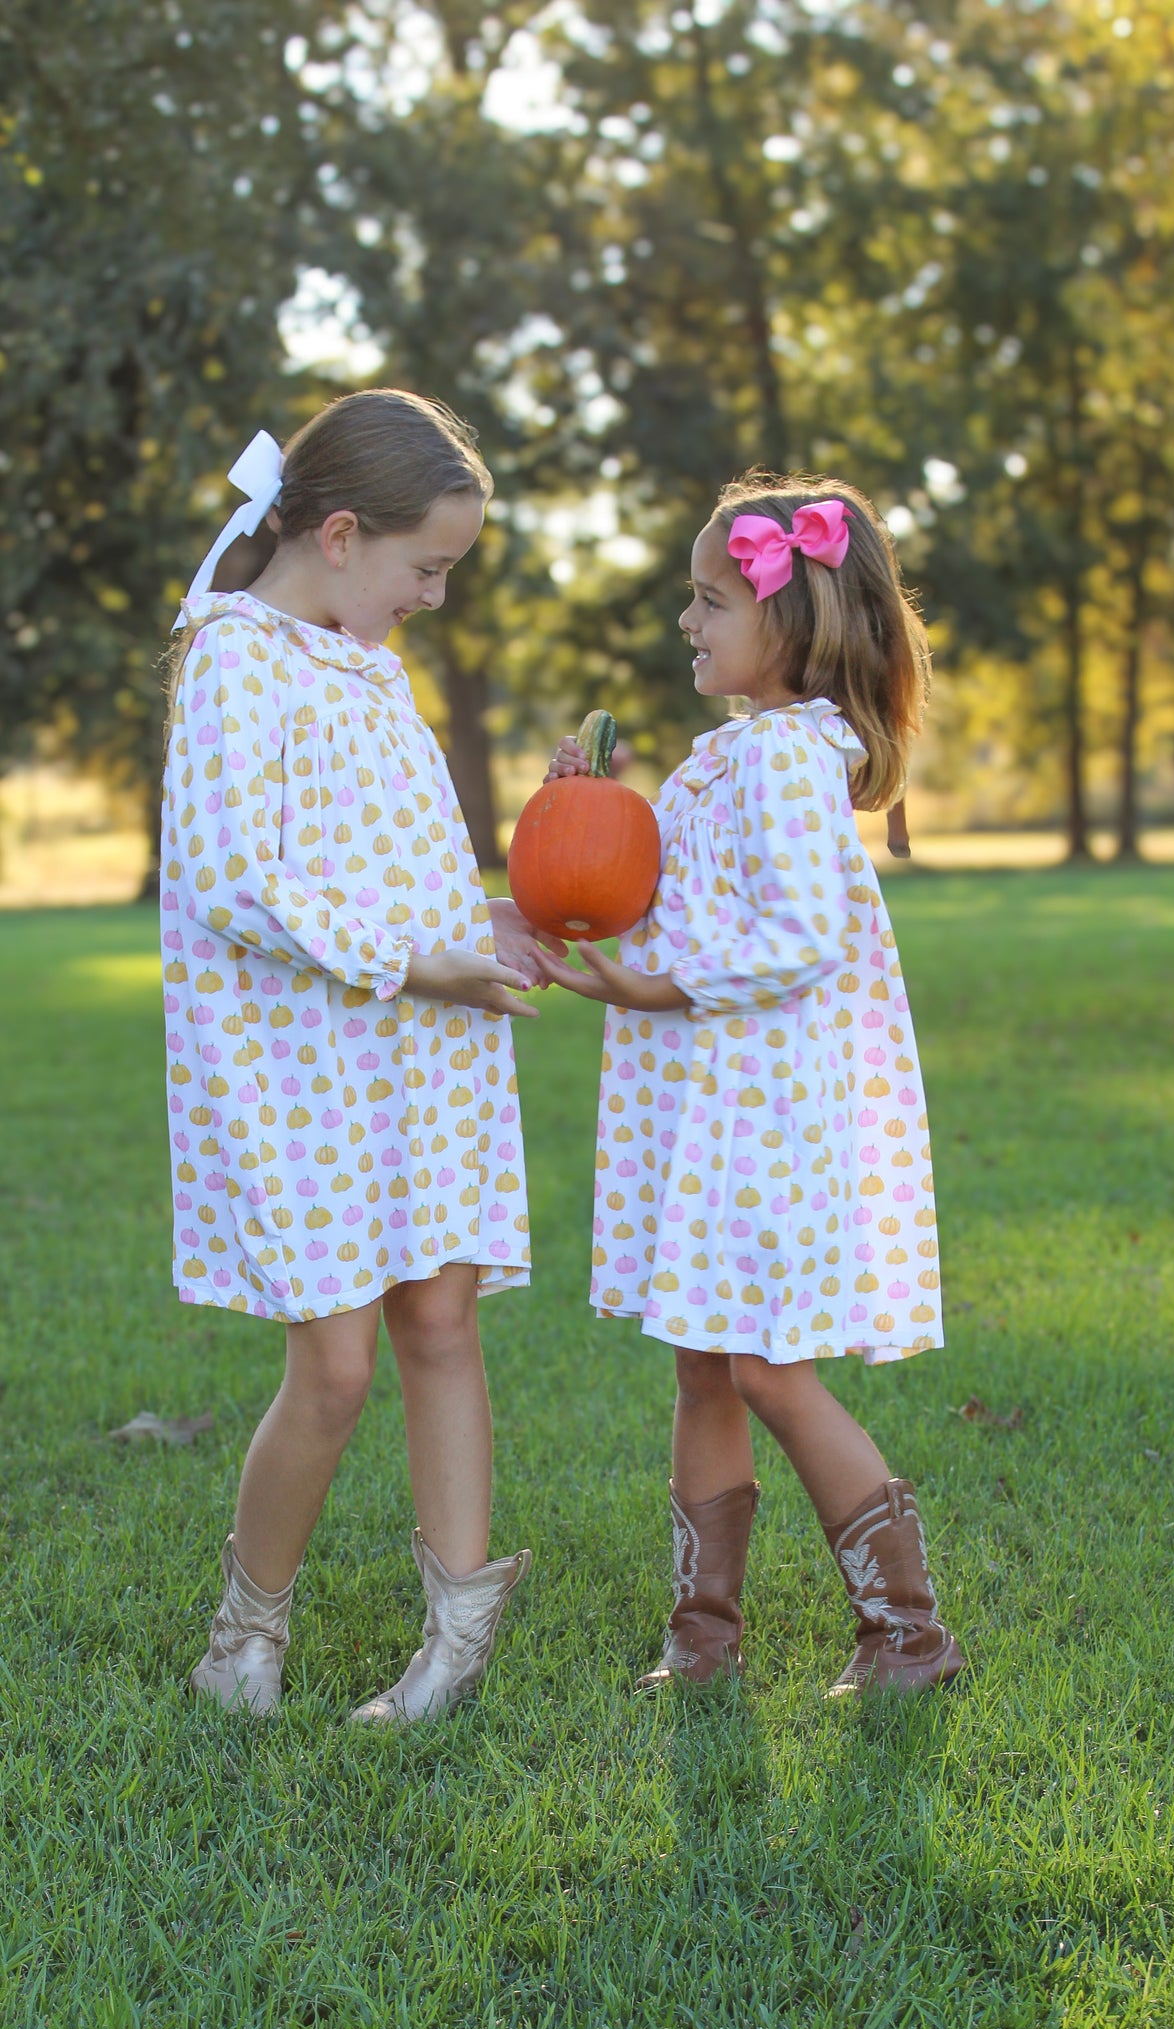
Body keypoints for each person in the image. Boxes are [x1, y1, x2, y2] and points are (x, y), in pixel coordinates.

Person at [162, 389, 559, 1722]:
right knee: (334, 1369)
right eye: (426, 568)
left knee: (441, 1322)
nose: (433, 598)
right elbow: (235, 879)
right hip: (303, 1066)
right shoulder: (235, 659)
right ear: (339, 535)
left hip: (418, 1052)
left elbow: (394, 861)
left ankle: (457, 1637)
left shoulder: (367, 663)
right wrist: (415, 957)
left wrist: (474, 924)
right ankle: (244, 1635)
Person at [541, 474, 961, 1697]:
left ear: (792, 618)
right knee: (702, 1363)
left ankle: (907, 1631)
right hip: (712, 1109)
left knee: (770, 1367)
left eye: (709, 598)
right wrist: (584, 810)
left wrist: (654, 988)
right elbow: (678, 903)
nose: (686, 619)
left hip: (763, 1116)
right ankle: (702, 1636)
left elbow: (800, 936)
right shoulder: (729, 758)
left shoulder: (784, 759)